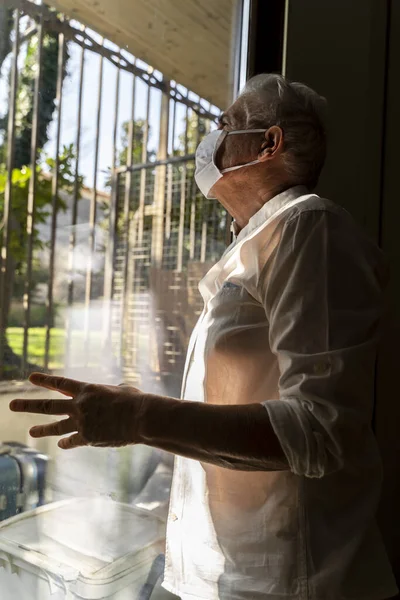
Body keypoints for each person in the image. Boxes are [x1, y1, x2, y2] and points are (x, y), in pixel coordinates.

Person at [10, 74, 398, 600]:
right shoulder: (259, 241)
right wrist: (140, 418)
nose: (210, 138)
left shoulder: (310, 229)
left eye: (226, 124)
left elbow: (319, 430)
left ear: (269, 144)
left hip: (298, 580)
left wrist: (140, 417)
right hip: (237, 572)